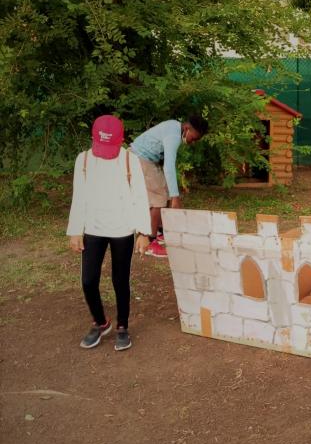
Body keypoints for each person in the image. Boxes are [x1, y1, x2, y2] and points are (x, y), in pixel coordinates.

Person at [67, 115, 152, 350]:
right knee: (88, 280)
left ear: (121, 140)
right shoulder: (83, 160)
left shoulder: (129, 160)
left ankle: (122, 326)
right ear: (94, 138)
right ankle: (100, 322)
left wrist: (143, 232)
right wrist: (75, 231)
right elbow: (79, 197)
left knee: (120, 280)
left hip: (122, 230)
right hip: (93, 228)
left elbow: (139, 196)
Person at [129, 116, 208, 258]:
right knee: (158, 199)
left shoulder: (174, 127)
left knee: (163, 190)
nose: (193, 142)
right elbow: (169, 167)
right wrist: (175, 197)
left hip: (146, 159)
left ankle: (159, 232)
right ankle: (149, 240)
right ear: (187, 129)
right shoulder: (174, 135)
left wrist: (172, 193)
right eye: (193, 138)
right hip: (140, 158)